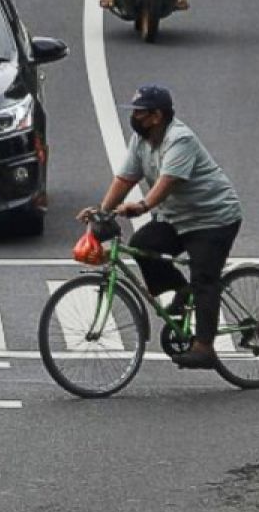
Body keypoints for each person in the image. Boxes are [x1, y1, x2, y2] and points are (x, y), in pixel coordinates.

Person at [77, 84, 243, 370]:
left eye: (140, 113)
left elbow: (167, 183)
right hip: (176, 218)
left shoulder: (180, 140)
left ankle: (204, 347)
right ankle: (182, 292)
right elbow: (125, 178)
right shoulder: (141, 140)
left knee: (204, 278)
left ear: (157, 116)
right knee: (142, 245)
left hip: (212, 219)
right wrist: (102, 213)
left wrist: (141, 207)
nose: (135, 118)